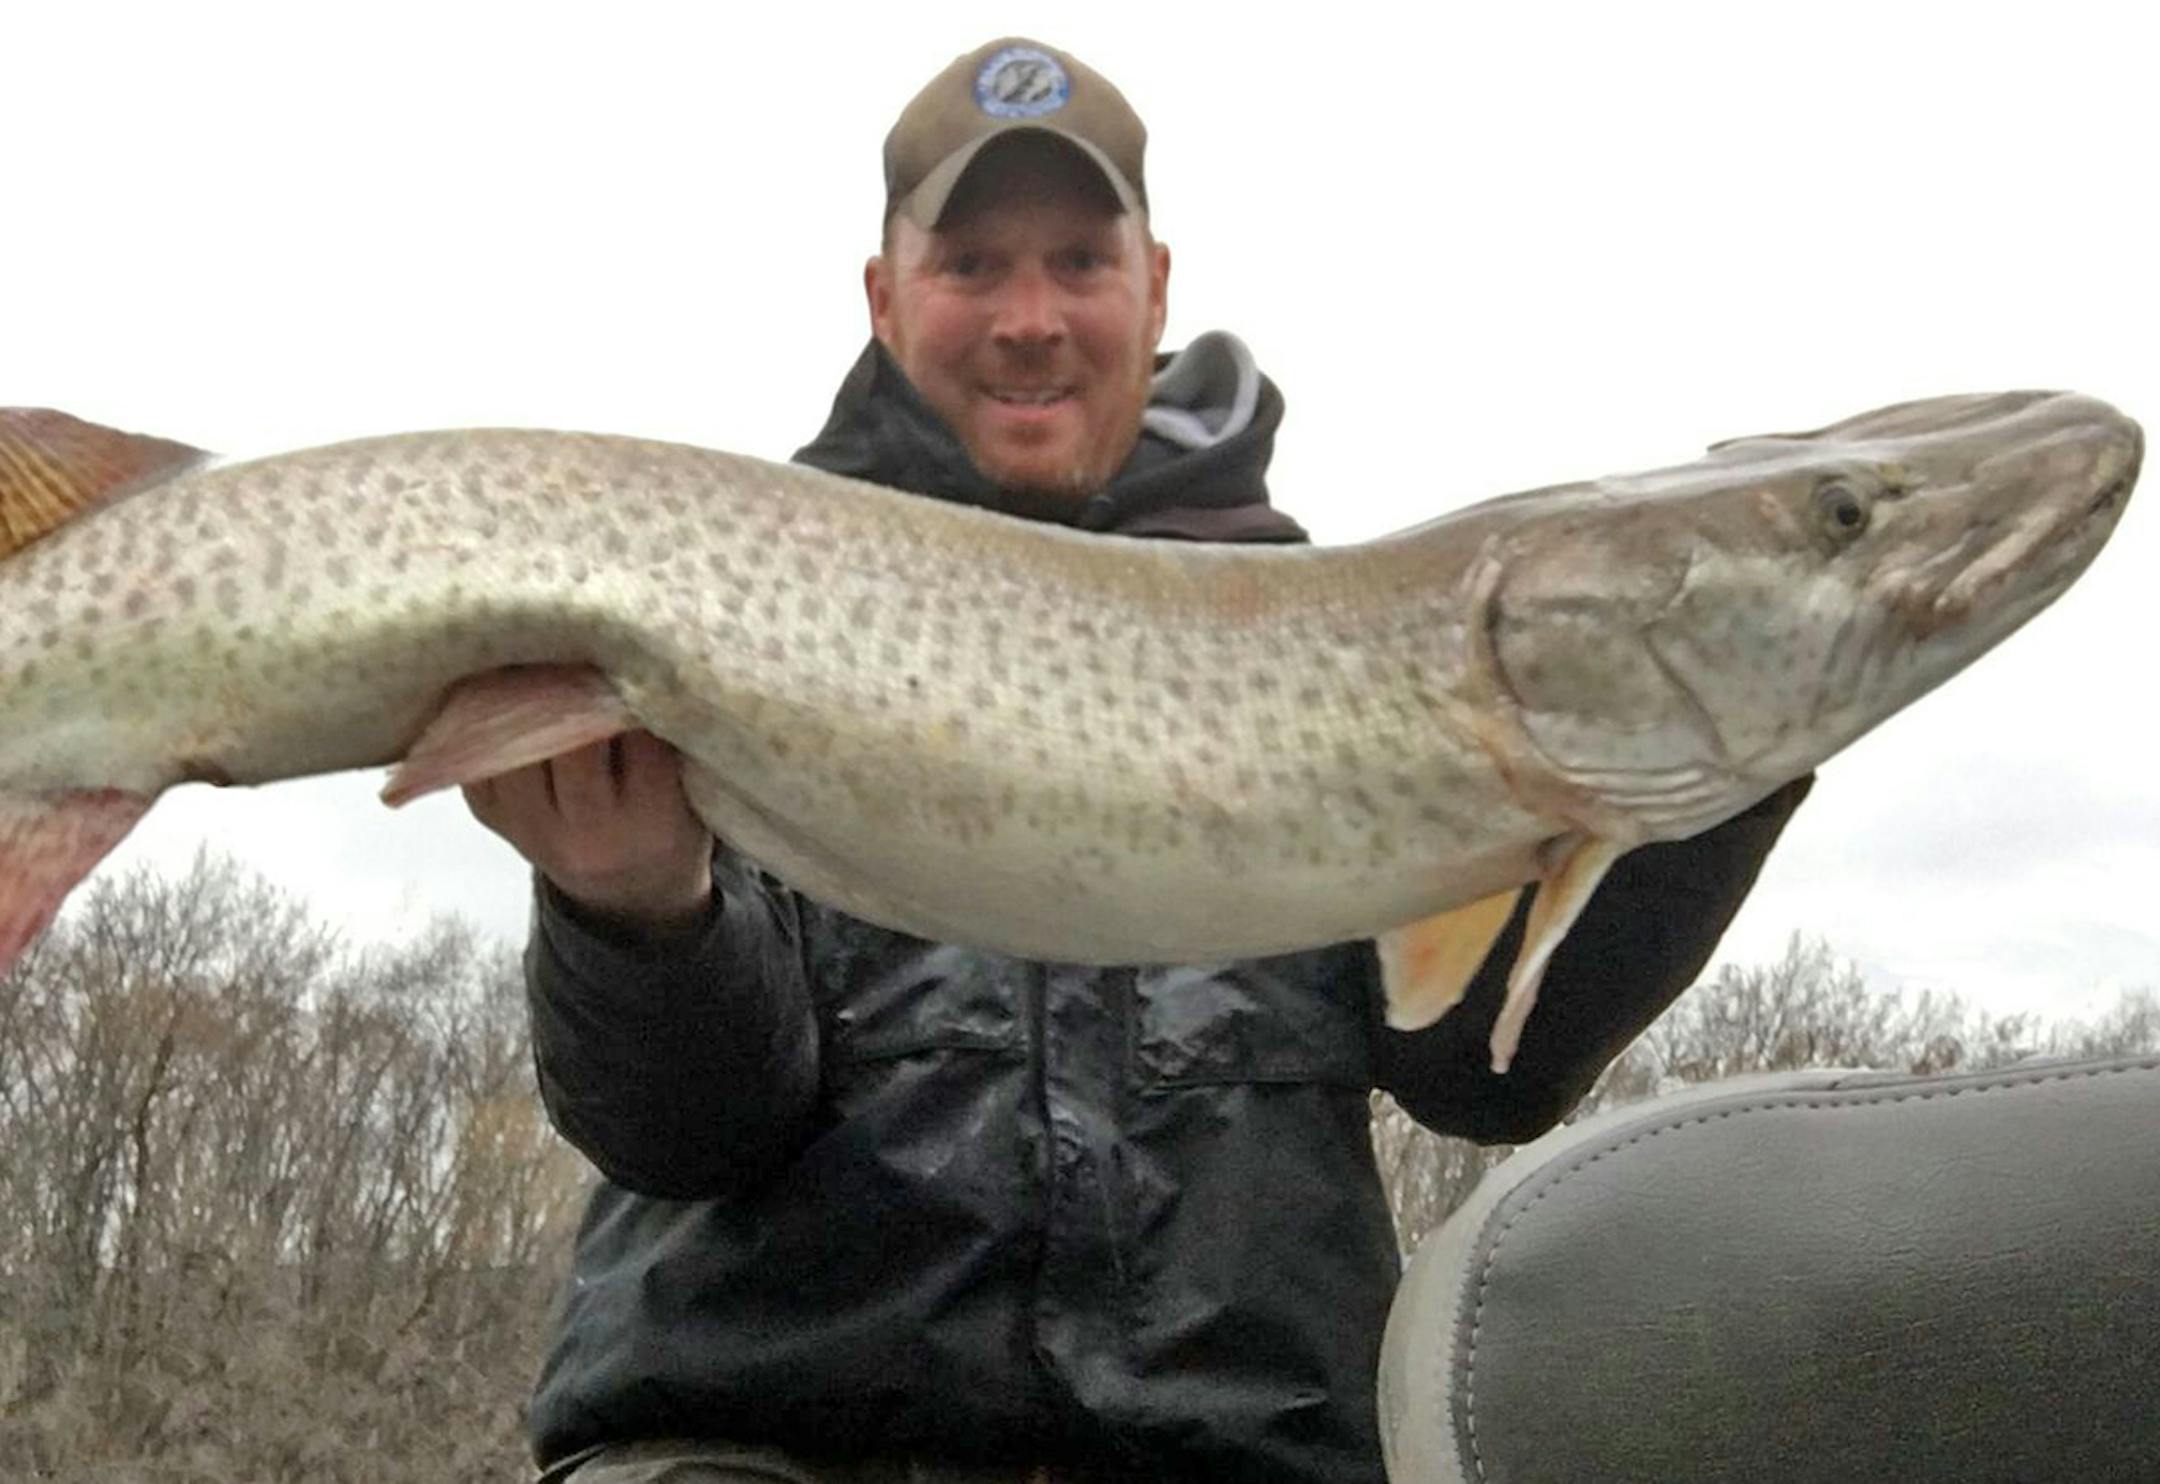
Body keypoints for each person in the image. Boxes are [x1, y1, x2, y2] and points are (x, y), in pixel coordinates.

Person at [470, 38, 1811, 1484]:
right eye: (972, 263)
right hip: (754, 1449)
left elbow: (1480, 1068)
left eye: (1076, 262)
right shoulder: (730, 603)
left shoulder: (1351, 636)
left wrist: (1743, 737)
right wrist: (633, 909)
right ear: (883, 295)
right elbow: (690, 1131)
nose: (1030, 317)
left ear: (1156, 286)